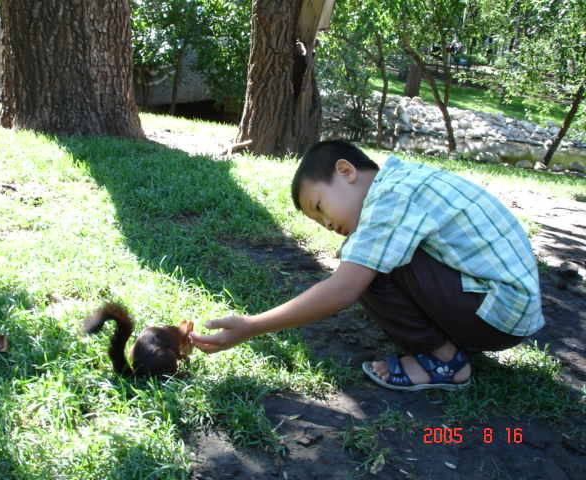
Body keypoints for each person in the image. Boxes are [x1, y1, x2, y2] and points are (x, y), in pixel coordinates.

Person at [190, 140, 545, 391]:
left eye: (320, 207)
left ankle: (446, 362)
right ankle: (448, 342)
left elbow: (344, 290)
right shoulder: (402, 181)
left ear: (345, 171)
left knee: (362, 267)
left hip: (499, 315)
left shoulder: (390, 198)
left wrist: (252, 327)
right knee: (364, 255)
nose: (325, 224)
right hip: (505, 308)